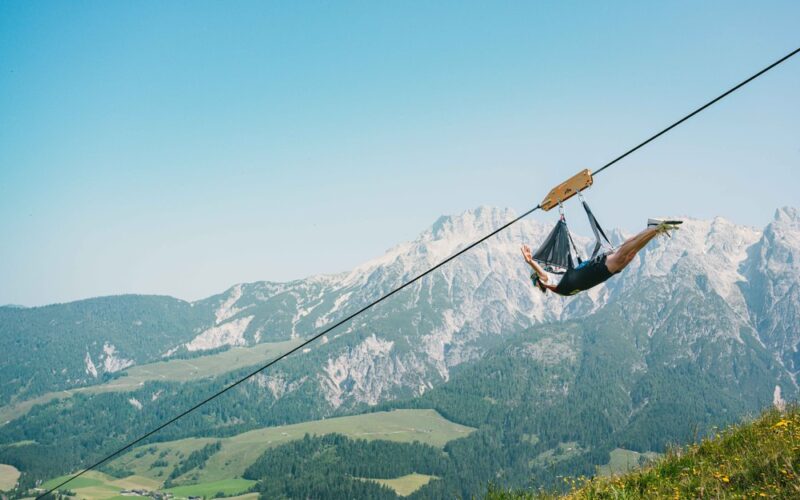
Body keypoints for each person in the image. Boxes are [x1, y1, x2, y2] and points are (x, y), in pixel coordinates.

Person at [521, 219, 682, 296]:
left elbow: (543, 274)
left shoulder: (551, 281)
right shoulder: (557, 286)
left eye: (537, 281)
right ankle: (652, 229)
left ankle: (654, 229)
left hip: (595, 269)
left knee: (621, 255)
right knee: (628, 256)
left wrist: (531, 262)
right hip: (597, 274)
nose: (539, 282)